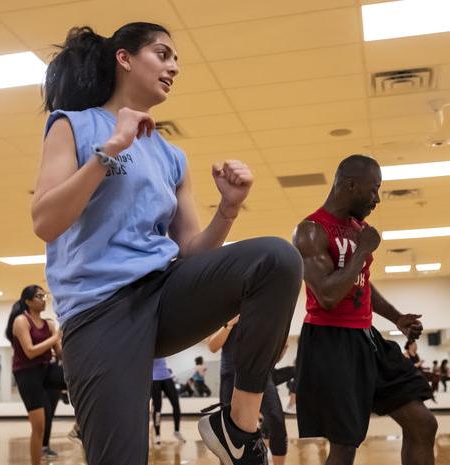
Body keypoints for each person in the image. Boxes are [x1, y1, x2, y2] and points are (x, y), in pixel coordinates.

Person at [33, 22, 303, 465]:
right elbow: (45, 222)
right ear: (124, 58)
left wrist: (229, 209)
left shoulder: (171, 155)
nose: (174, 66)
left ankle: (237, 427)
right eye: (162, 54)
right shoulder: (73, 125)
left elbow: (192, 252)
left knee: (276, 259)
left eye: (176, 58)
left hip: (164, 294)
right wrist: (110, 150)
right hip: (100, 312)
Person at [293, 155, 436, 465]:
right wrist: (361, 251)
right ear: (350, 185)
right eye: (374, 190)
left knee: (423, 423)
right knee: (345, 446)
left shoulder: (360, 228)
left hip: (365, 336)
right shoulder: (311, 230)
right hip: (329, 341)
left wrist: (396, 317)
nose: (377, 199)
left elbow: (361, 284)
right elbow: (328, 295)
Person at [209, 316, 289, 465]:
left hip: (260, 372)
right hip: (231, 374)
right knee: (228, 431)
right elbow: (212, 346)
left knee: (276, 420)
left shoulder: (262, 308)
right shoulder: (224, 307)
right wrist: (229, 324)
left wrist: (280, 348)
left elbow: (274, 356)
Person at [5, 285, 66, 465]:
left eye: (44, 295)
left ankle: (78, 429)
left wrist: (66, 340)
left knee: (79, 380)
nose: (44, 299)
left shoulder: (49, 324)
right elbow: (30, 351)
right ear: (28, 301)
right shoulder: (21, 321)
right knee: (39, 427)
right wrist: (55, 338)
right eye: (39, 296)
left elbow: (60, 353)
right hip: (26, 373)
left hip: (46, 369)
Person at [151, 358, 185, 445]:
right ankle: (157, 434)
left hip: (167, 377)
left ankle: (176, 431)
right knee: (157, 408)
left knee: (176, 404)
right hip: (154, 379)